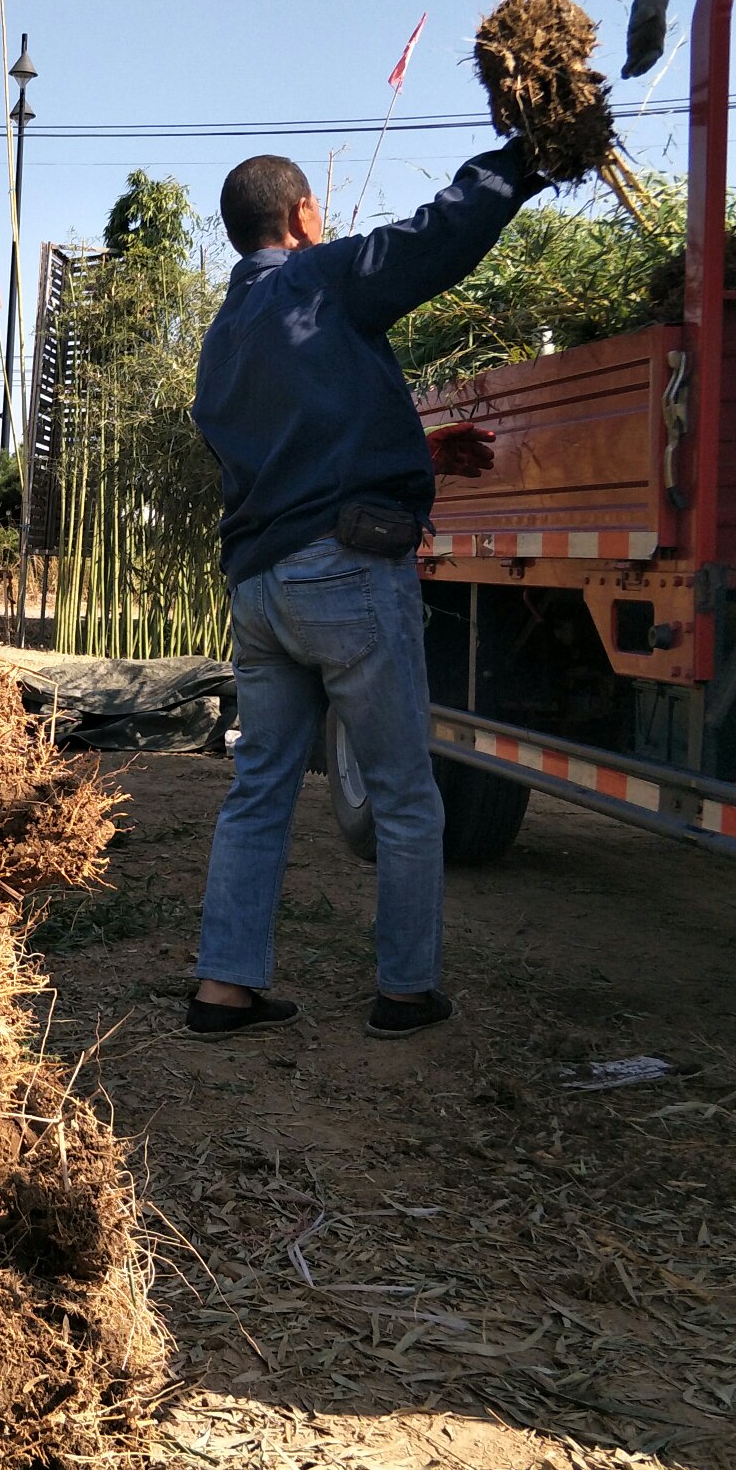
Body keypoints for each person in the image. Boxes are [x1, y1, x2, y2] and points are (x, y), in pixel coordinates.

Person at [185, 143, 545, 1040]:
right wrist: (522, 160)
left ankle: (223, 991)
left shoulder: (222, 340)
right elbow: (434, 239)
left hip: (260, 590)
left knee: (260, 788)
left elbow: (292, 451)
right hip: (346, 577)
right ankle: (405, 992)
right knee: (404, 792)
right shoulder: (322, 279)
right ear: (302, 215)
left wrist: (412, 455)